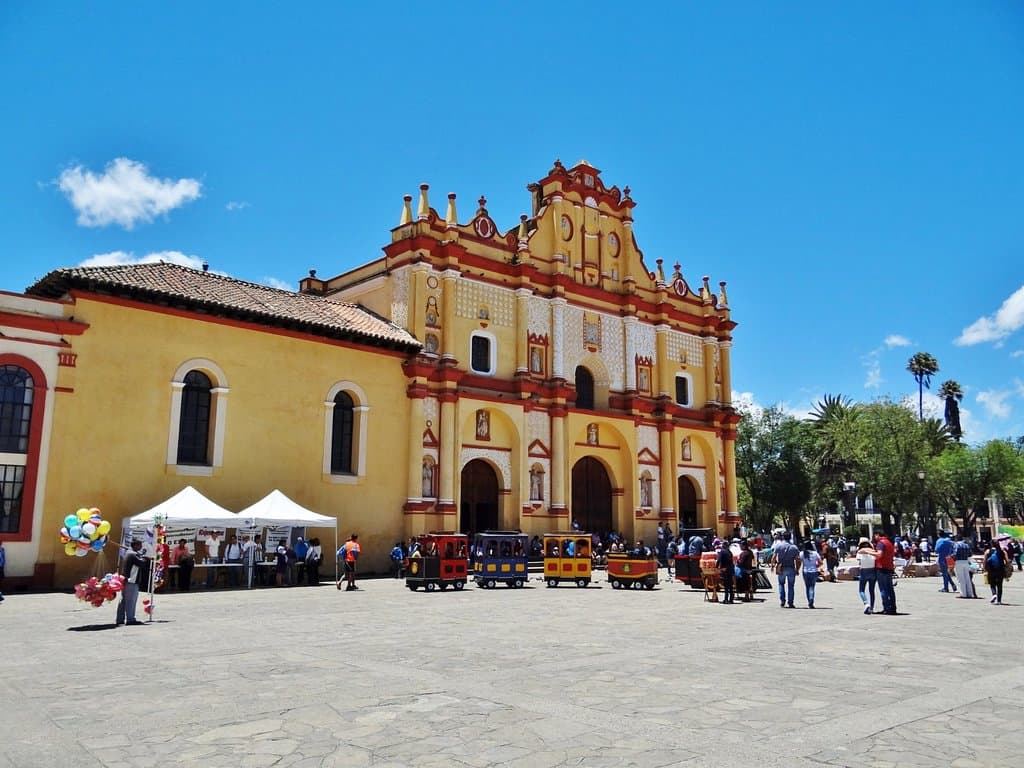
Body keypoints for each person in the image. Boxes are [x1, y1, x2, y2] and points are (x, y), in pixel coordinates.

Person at [116, 540, 150, 626]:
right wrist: (146, 557)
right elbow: (142, 563)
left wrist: (141, 555)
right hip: (132, 580)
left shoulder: (129, 553)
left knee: (124, 600)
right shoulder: (133, 554)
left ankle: (120, 619)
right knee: (131, 601)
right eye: (140, 545)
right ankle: (130, 619)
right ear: (135, 545)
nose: (141, 547)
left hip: (126, 580)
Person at [771, 532, 800, 608]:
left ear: (783, 537)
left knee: (781, 584)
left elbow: (774, 557)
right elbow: (798, 559)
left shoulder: (778, 545)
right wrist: (797, 569)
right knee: (791, 586)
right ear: (790, 537)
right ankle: (790, 602)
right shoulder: (794, 547)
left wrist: (772, 566)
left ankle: (782, 600)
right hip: (791, 567)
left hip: (781, 567)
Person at [873, 532, 897, 615]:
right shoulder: (889, 542)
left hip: (882, 568)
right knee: (890, 589)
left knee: (883, 589)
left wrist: (869, 552)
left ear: (878, 535)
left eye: (875, 535)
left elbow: (879, 554)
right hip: (889, 567)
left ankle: (886, 608)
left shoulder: (881, 543)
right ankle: (893, 607)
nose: (875, 537)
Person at [796, 540, 822, 608]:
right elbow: (820, 562)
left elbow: (799, 561)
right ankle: (811, 600)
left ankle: (809, 600)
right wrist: (816, 566)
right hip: (814, 571)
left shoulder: (802, 553)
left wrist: (797, 570)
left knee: (807, 587)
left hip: (805, 571)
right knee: (812, 587)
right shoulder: (815, 553)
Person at [855, 537, 878, 614]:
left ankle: (866, 603)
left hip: (864, 571)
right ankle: (872, 607)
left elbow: (858, 561)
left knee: (861, 590)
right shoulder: (873, 551)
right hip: (872, 570)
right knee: (872, 590)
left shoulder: (860, 552)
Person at [952, 534, 976, 599]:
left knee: (961, 579)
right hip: (966, 562)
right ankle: (970, 593)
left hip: (958, 562)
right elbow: (970, 554)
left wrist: (951, 558)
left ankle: (963, 594)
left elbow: (955, 554)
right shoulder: (966, 545)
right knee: (967, 578)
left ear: (956, 539)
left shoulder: (956, 545)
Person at [716, 539, 735, 604]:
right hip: (731, 569)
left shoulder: (722, 552)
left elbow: (719, 560)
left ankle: (726, 599)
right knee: (730, 585)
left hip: (725, 570)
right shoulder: (729, 552)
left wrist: (716, 567)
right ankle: (731, 599)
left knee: (726, 585)